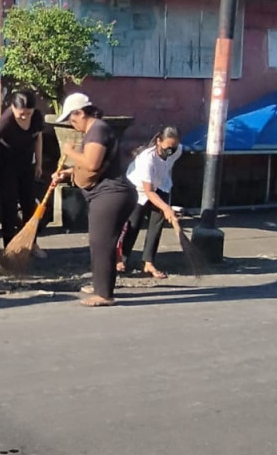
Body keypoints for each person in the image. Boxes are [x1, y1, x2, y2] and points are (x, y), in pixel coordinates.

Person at [55, 93, 137, 307]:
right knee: (99, 242)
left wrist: (69, 152)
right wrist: (68, 173)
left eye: (71, 118)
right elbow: (94, 167)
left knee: (102, 243)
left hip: (111, 194)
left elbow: (92, 163)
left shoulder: (98, 130)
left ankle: (105, 294)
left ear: (80, 112)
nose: (71, 124)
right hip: (106, 193)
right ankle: (100, 285)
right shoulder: (96, 131)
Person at [0, 91, 46, 255]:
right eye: (21, 114)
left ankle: (31, 243)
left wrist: (39, 163)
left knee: (29, 205)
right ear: (13, 108)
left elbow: (38, 138)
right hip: (6, 167)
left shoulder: (37, 117)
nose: (25, 117)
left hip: (26, 165)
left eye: (28, 113)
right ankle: (9, 247)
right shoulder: (6, 121)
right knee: (9, 206)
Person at [119, 126, 182, 279]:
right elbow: (149, 191)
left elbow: (167, 167)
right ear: (158, 141)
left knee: (156, 224)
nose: (171, 151)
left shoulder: (178, 150)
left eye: (174, 147)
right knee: (133, 224)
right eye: (168, 147)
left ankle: (148, 262)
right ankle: (121, 259)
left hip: (162, 185)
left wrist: (165, 208)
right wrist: (166, 208)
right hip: (139, 189)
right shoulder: (146, 159)